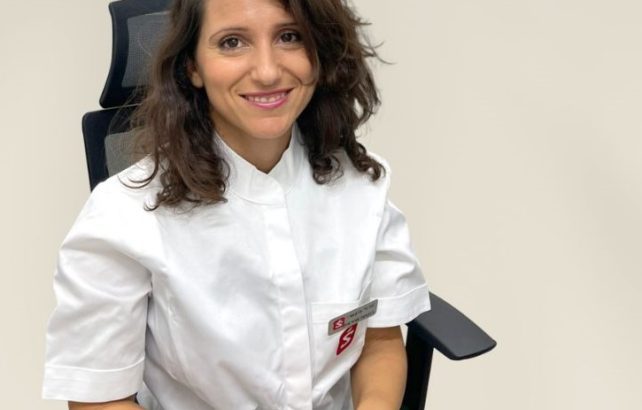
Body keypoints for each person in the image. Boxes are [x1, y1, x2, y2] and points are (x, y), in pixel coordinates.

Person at [42, 0, 431, 409]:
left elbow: (379, 340)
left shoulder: (361, 186)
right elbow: (99, 400)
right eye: (232, 42)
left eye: (289, 36)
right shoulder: (123, 215)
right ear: (193, 66)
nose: (267, 71)